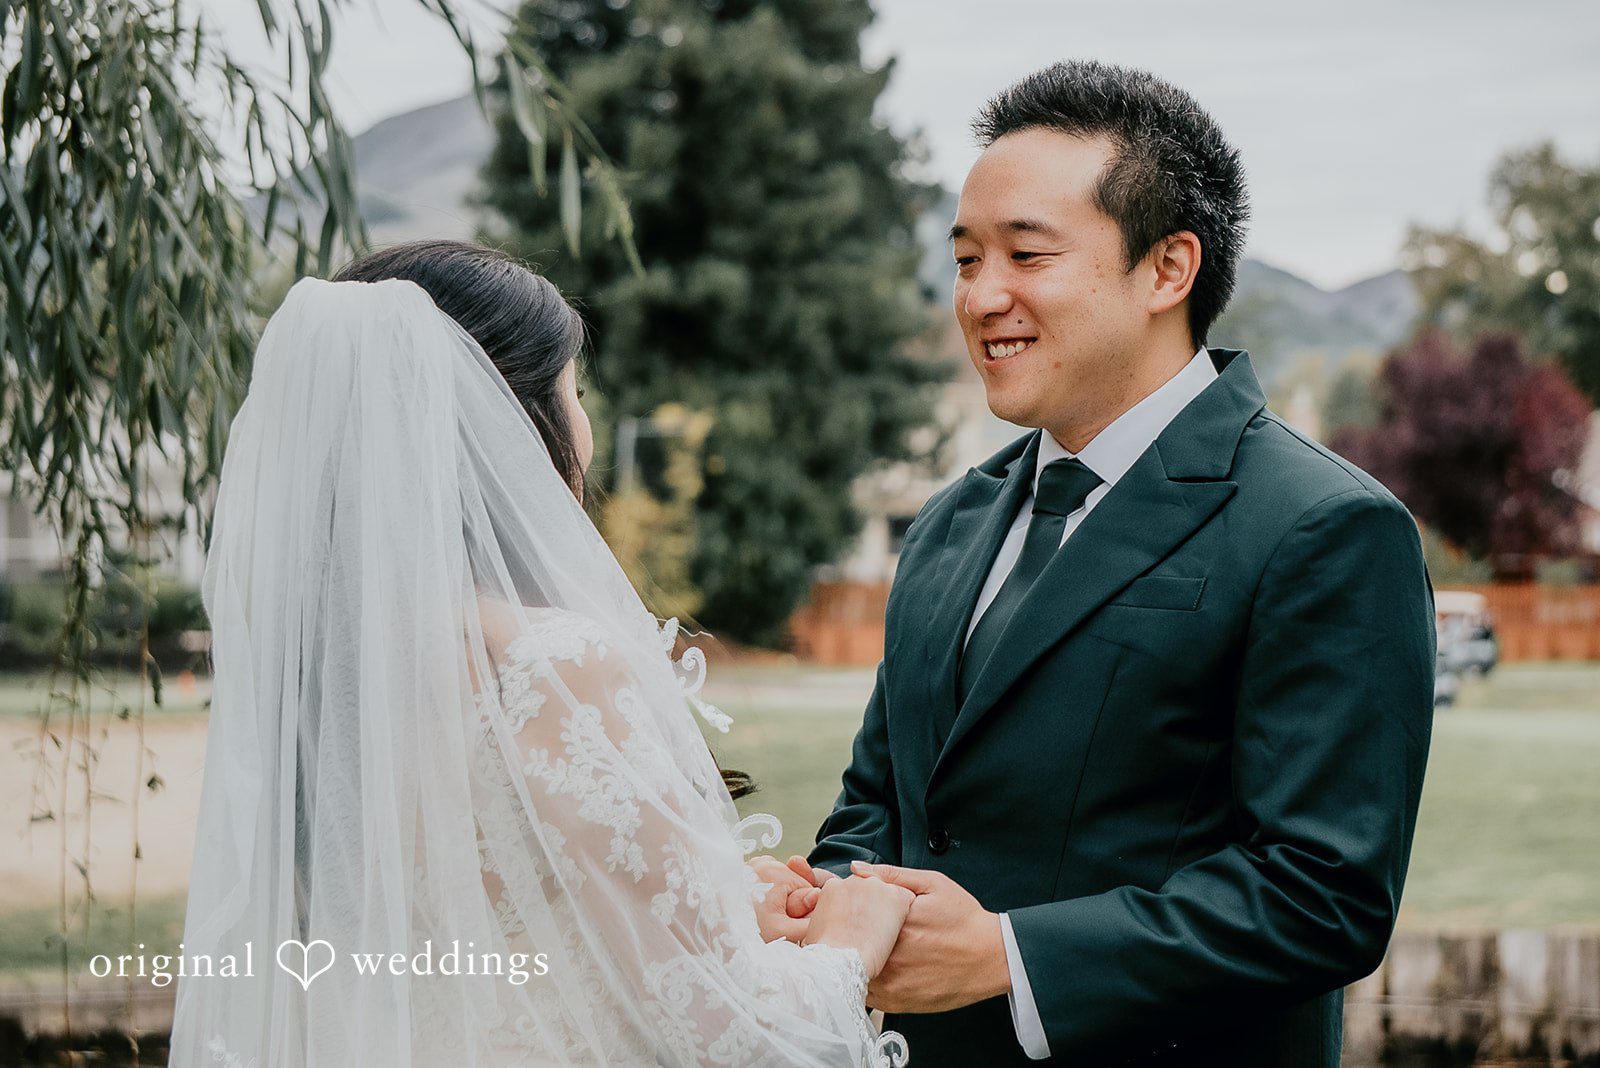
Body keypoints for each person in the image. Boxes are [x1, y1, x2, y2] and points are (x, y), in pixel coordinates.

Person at [757, 61, 1436, 1067]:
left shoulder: (1325, 527)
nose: (983, 297)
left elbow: (1322, 896)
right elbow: (884, 802)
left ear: (1167, 269)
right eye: (964, 258)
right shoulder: (947, 522)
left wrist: (1008, 956)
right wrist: (829, 896)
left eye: (1026, 255)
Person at [171, 241, 913, 1066]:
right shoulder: (552, 665)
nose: (585, 430)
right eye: (576, 392)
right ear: (506, 424)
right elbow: (741, 1042)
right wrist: (849, 947)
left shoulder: (323, 678)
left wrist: (727, 906)